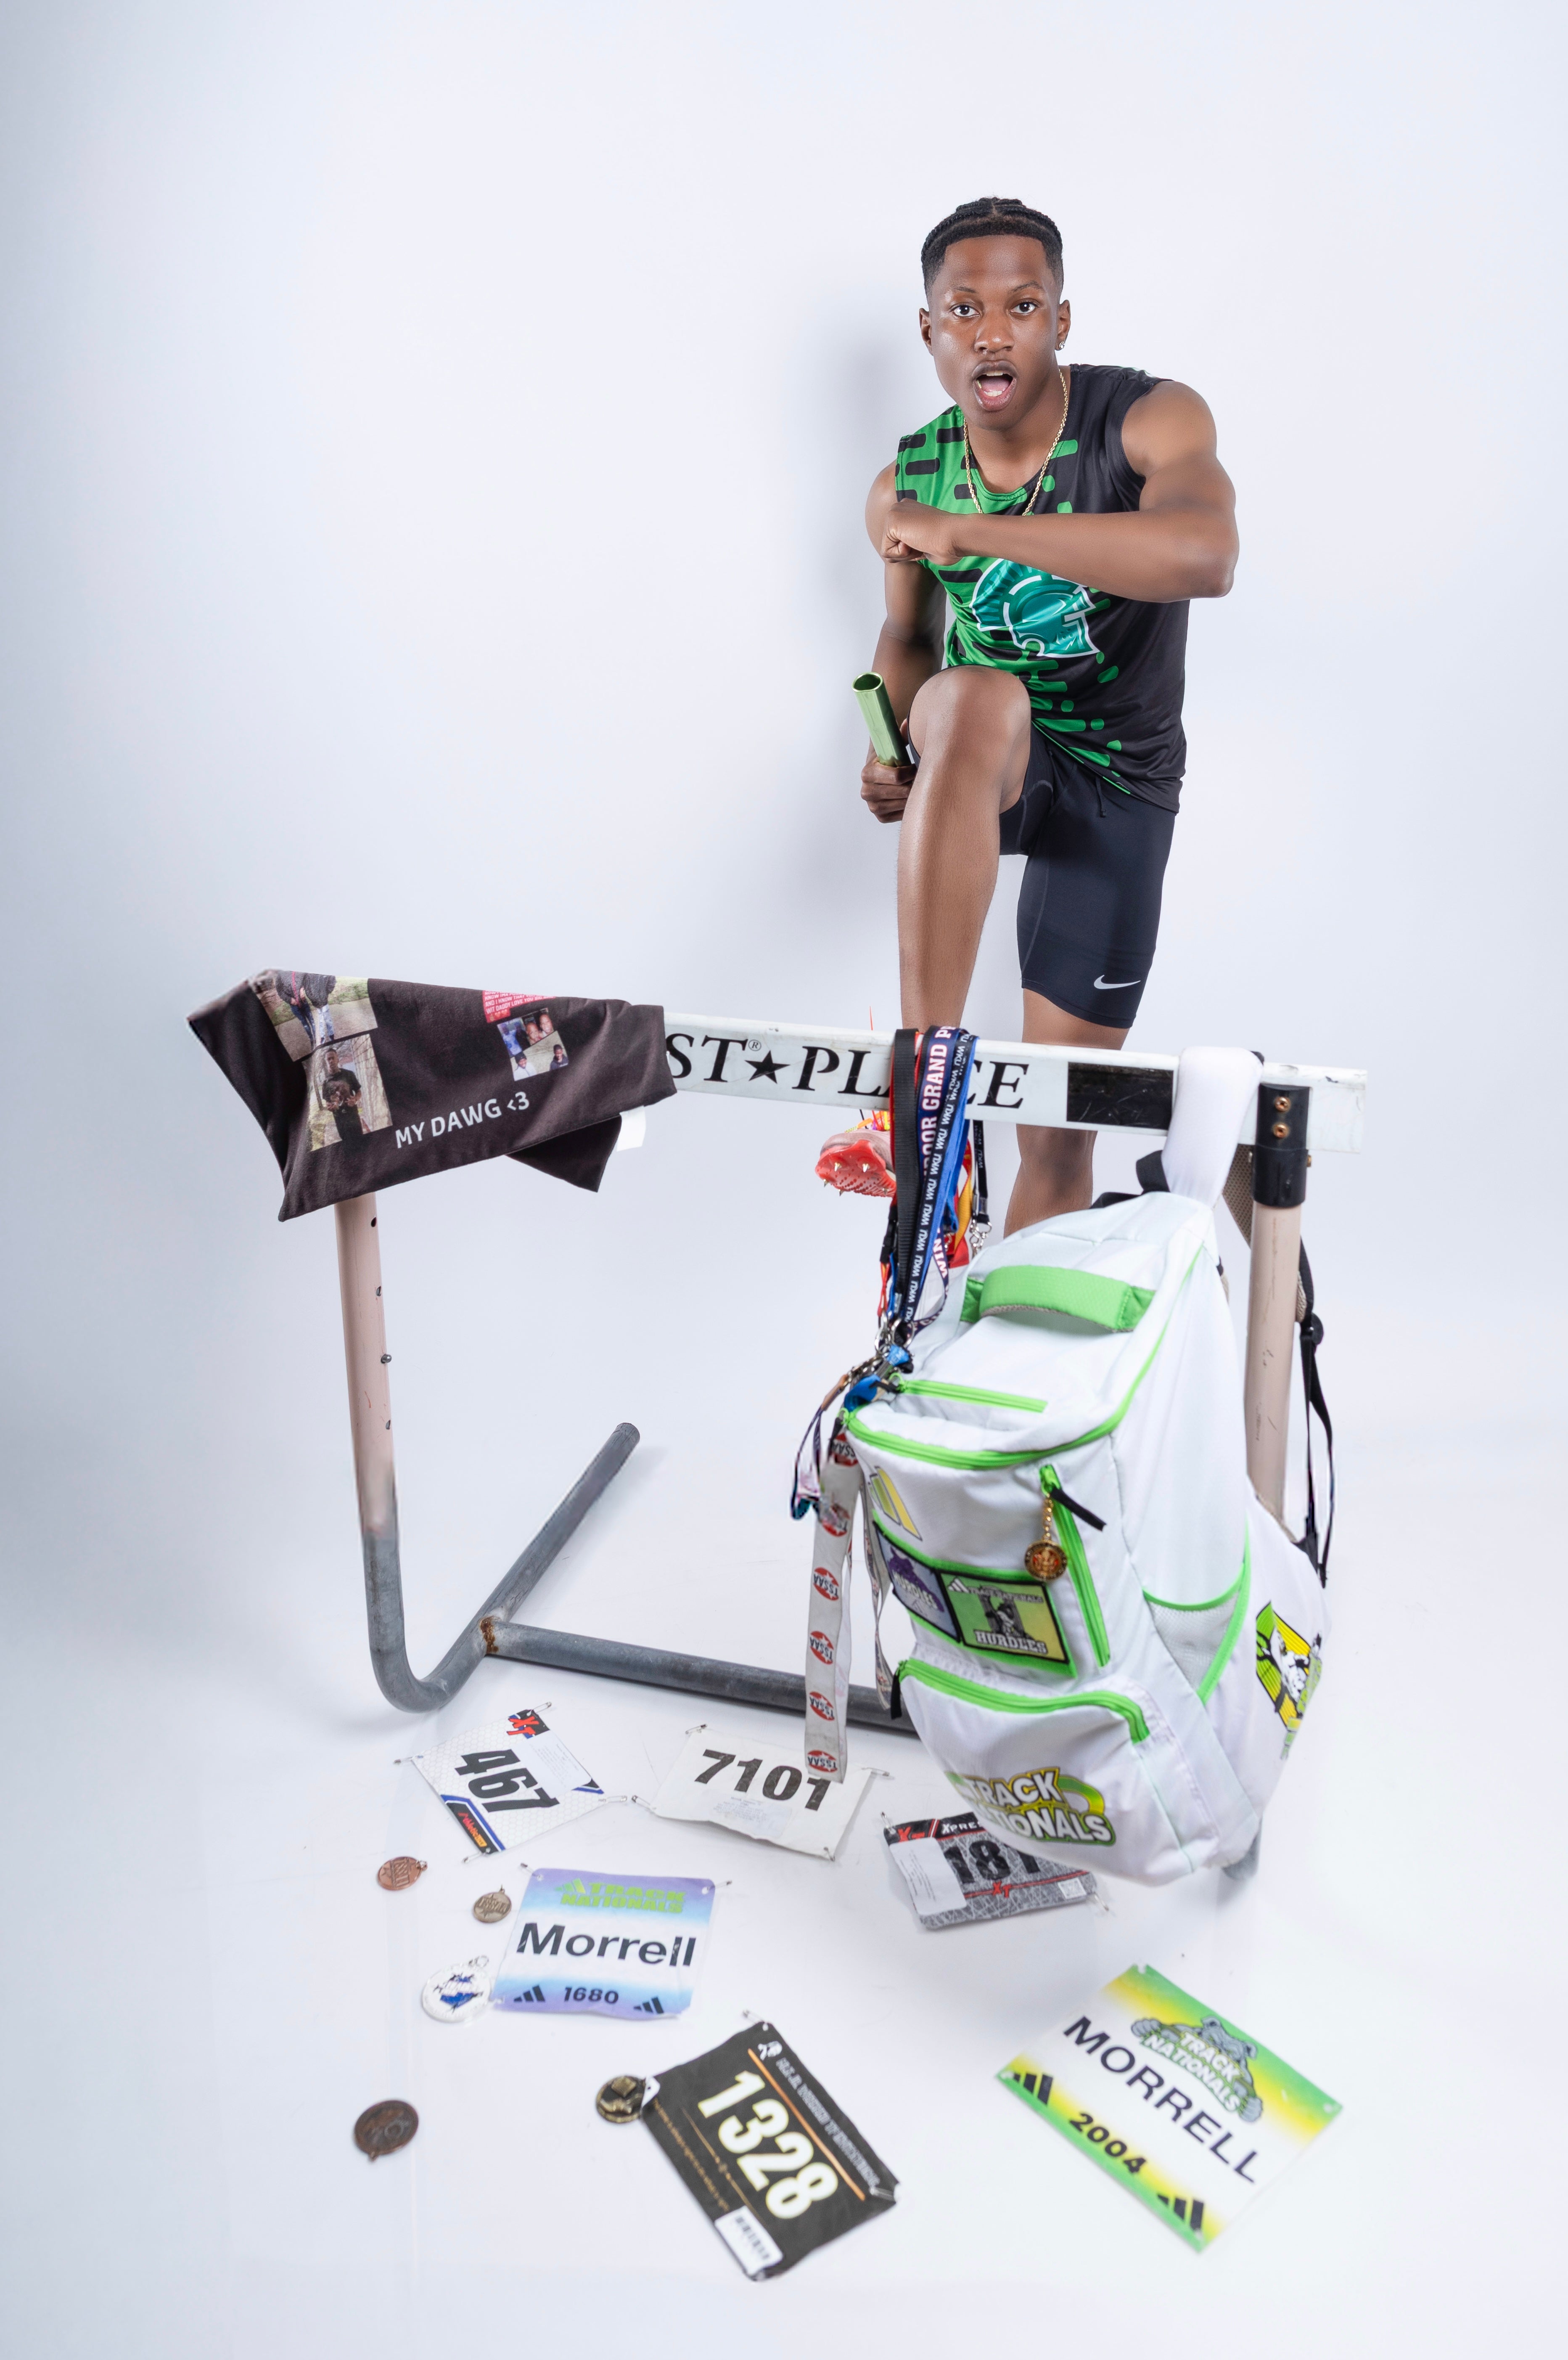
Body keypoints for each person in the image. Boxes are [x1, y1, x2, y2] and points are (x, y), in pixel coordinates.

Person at [822, 196, 1237, 1231]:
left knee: (1054, 1131)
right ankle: (925, 1095)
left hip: (1117, 784)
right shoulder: (906, 481)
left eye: (1021, 306)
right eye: (963, 309)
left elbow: (1204, 556)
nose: (991, 332)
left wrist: (974, 535)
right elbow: (908, 638)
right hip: (989, 761)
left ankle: (1014, 1319)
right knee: (970, 695)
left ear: (1060, 320)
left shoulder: (1145, 418)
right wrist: (889, 743)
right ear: (929, 330)